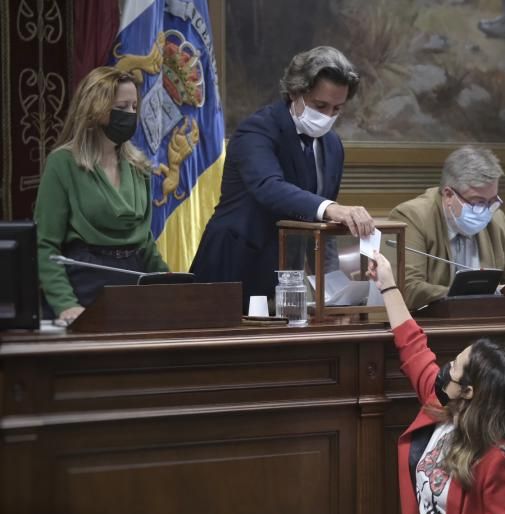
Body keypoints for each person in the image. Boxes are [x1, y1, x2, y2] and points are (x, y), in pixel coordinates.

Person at [190, 46, 375, 310]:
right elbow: (269, 187)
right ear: (295, 92)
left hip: (287, 279)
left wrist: (332, 288)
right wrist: (332, 209)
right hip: (232, 270)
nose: (327, 117)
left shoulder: (332, 145)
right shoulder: (256, 130)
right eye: (320, 106)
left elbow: (321, 222)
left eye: (336, 109)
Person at [367, 251, 505, 514]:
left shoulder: (499, 457)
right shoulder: (442, 408)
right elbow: (413, 347)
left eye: (454, 366)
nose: (446, 369)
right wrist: (387, 284)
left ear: (468, 391)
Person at [35, 66, 169, 322]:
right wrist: (65, 304)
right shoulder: (63, 163)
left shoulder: (139, 166)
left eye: (134, 106)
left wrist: (172, 286)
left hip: (134, 282)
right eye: (122, 107)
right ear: (95, 110)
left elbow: (145, 240)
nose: (131, 114)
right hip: (85, 282)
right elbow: (45, 244)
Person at [388, 145, 505, 311]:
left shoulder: (496, 219)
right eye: (478, 202)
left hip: (488, 327)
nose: (486, 211)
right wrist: (483, 294)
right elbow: (409, 290)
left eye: (492, 201)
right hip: (430, 331)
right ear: (449, 195)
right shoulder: (412, 217)